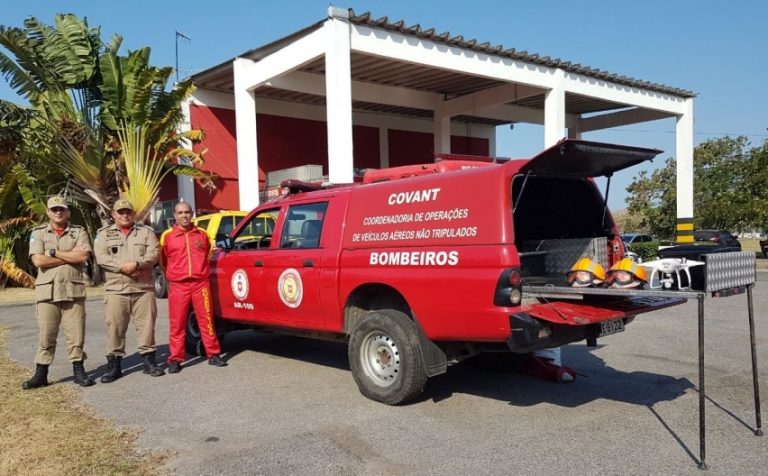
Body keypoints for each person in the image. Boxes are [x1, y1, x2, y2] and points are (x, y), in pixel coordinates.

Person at [23, 195, 95, 389]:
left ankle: (79, 371)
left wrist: (53, 253)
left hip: (74, 290)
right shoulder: (38, 233)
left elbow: (83, 255)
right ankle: (41, 373)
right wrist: (70, 256)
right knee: (46, 334)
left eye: (61, 209)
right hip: (47, 292)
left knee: (76, 334)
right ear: (47, 212)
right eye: (54, 209)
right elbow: (38, 261)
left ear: (68, 212)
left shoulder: (78, 232)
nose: (58, 212)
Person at [94, 198, 165, 382]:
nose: (124, 215)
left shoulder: (146, 232)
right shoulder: (103, 234)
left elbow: (154, 253)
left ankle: (149, 361)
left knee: (147, 325)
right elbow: (101, 257)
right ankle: (114, 366)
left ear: (133, 214)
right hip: (116, 289)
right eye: (120, 212)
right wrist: (122, 267)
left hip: (143, 288)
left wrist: (137, 264)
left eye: (128, 212)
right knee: (115, 328)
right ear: (113, 214)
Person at [160, 201, 227, 373]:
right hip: (178, 285)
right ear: (175, 215)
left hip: (200, 284)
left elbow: (208, 254)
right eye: (180, 213)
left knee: (207, 321)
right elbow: (163, 261)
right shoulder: (167, 236)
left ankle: (213, 354)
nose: (184, 216)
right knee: (177, 323)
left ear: (192, 213)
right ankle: (175, 358)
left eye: (187, 212)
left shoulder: (202, 234)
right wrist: (176, 275)